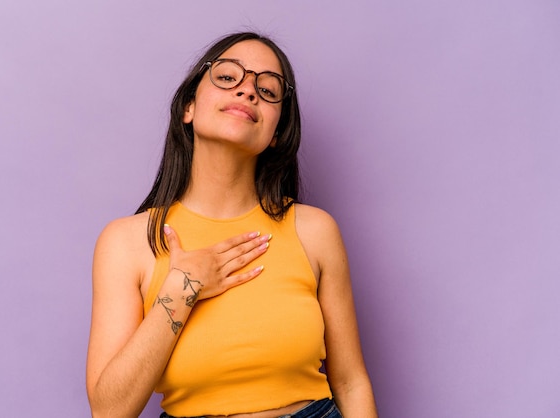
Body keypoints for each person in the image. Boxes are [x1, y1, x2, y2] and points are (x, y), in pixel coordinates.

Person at [86, 32, 378, 418]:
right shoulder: (127, 242)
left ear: (276, 133)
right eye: (227, 78)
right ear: (189, 107)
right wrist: (183, 287)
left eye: (268, 89)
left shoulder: (315, 231)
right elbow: (109, 411)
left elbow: (350, 382)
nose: (248, 92)